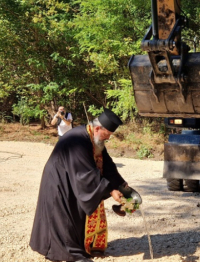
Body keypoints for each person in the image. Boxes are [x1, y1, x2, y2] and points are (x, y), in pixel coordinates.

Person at [30, 108, 130, 262]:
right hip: (59, 182)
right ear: (97, 128)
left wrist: (123, 186)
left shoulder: (93, 138)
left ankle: (79, 245)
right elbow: (87, 175)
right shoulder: (77, 140)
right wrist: (111, 190)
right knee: (63, 217)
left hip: (71, 178)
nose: (108, 138)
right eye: (107, 134)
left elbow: (108, 165)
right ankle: (67, 252)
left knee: (75, 216)